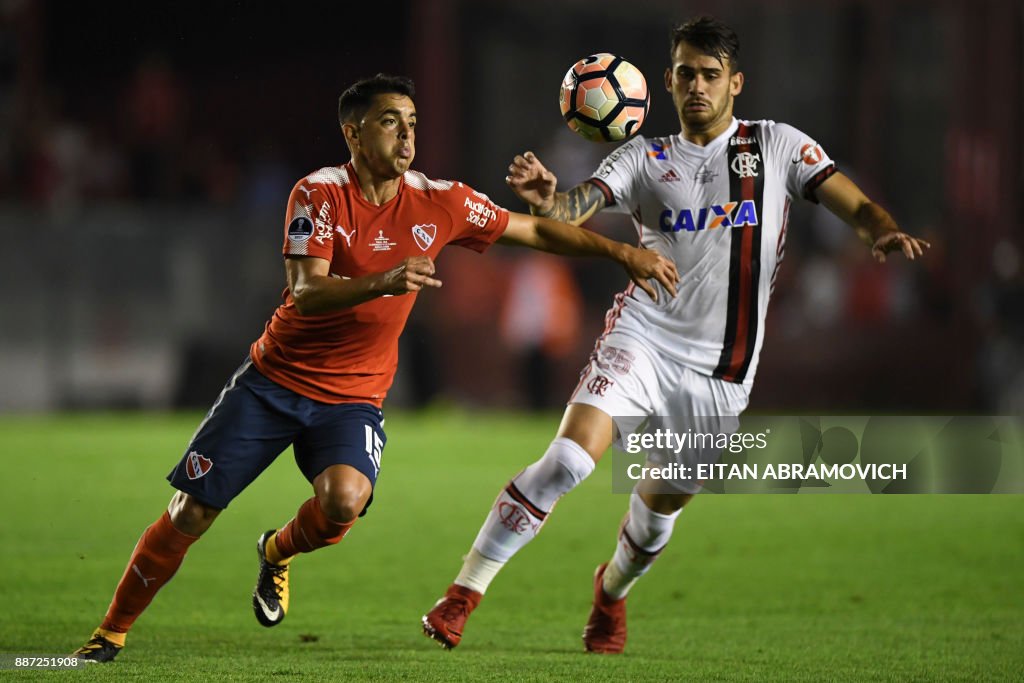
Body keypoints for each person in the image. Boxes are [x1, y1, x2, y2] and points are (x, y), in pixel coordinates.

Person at [72, 74, 679, 663]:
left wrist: (621, 250)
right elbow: (306, 291)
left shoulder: (441, 201)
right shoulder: (318, 193)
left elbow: (537, 231)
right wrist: (384, 280)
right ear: (354, 134)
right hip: (273, 383)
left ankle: (276, 551)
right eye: (390, 123)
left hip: (352, 398)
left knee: (344, 499)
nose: (406, 137)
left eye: (412, 123)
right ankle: (111, 633)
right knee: (192, 512)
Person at [421, 16, 929, 654]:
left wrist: (880, 228)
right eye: (685, 73)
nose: (697, 86)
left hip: (723, 371)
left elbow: (851, 202)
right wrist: (547, 199)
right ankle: (463, 595)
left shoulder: (775, 146)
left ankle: (610, 592)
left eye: (710, 75)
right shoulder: (643, 155)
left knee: (660, 509)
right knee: (569, 459)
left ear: (735, 83)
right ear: (665, 81)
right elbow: (575, 208)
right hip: (644, 337)